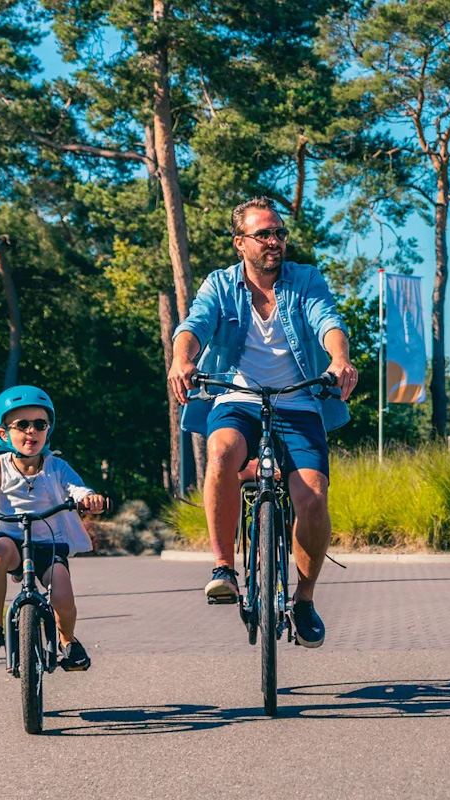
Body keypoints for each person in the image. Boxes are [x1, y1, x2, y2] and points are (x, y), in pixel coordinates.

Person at [168, 196, 358, 648]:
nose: (274, 242)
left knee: (312, 496)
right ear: (240, 243)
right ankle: (223, 568)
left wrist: (339, 359)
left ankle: (305, 600)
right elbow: (193, 326)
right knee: (222, 453)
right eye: (264, 234)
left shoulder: (305, 279)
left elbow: (327, 320)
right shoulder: (220, 284)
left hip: (298, 401)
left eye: (279, 233)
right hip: (238, 398)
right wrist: (181, 360)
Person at [0, 385, 108, 670]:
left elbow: (77, 490)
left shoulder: (56, 467)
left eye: (40, 424)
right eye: (22, 425)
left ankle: (68, 642)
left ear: (48, 429)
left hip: (49, 545)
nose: (32, 431)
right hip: (12, 544)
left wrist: (88, 499)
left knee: (62, 591)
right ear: (4, 433)